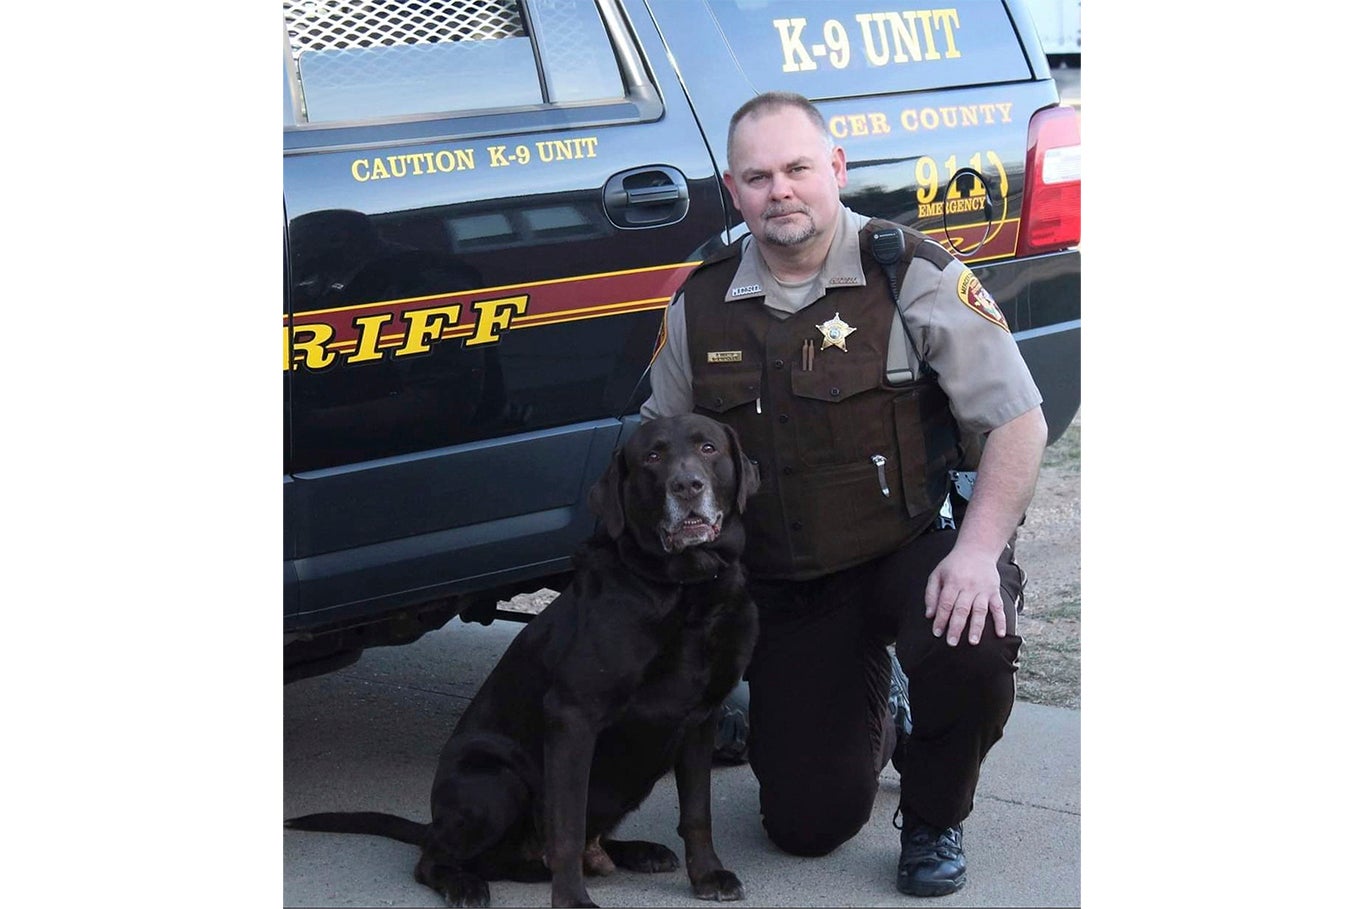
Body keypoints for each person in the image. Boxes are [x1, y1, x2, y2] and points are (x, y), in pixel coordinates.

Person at [640, 91, 1047, 898]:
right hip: (790, 584)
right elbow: (658, 441)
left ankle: (934, 813)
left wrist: (976, 553)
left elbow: (1018, 423)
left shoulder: (913, 275)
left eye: (797, 168)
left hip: (909, 548)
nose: (779, 191)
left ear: (835, 168)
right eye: (758, 177)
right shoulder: (700, 302)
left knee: (970, 635)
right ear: (734, 189)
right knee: (806, 826)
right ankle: (878, 713)